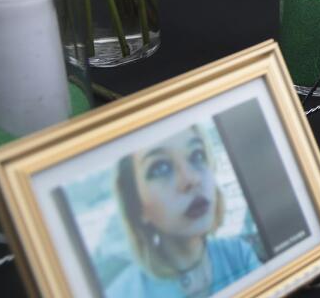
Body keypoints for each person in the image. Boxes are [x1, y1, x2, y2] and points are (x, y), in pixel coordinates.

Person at [108, 126, 260, 298]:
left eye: (197, 155)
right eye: (160, 168)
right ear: (136, 206)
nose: (191, 179)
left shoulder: (239, 254)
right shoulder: (123, 293)